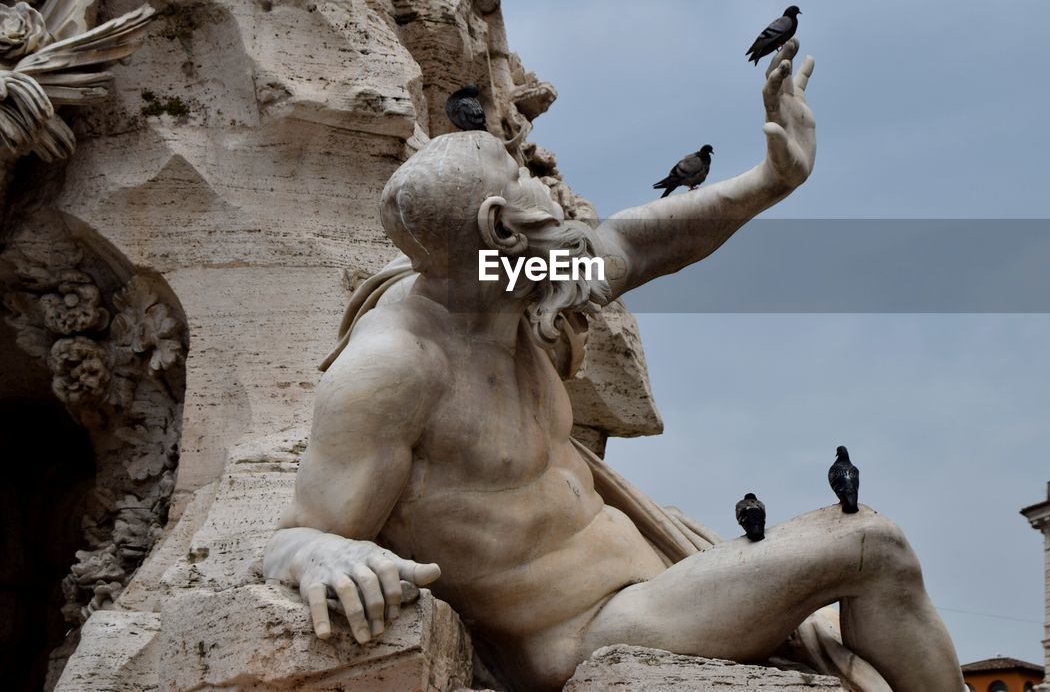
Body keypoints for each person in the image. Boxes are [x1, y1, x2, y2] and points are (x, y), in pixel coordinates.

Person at [264, 43, 962, 691]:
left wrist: (772, 181)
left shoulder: (505, 279)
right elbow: (301, 530)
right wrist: (320, 554)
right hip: (589, 629)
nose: (544, 181)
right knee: (873, 545)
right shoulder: (394, 366)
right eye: (520, 175)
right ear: (500, 224)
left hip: (655, 575)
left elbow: (636, 243)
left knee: (863, 582)